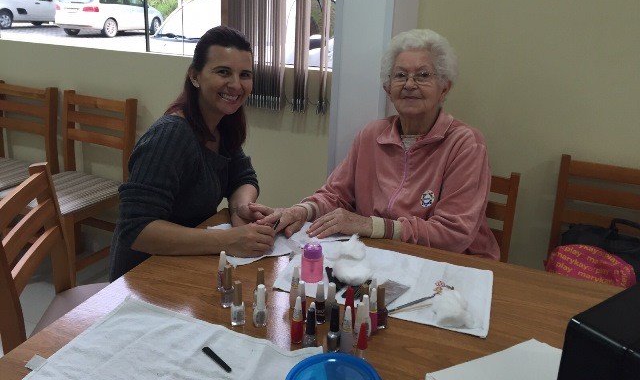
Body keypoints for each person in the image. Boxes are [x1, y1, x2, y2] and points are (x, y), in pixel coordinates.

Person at [253, 28, 499, 260]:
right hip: (380, 257)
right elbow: (335, 195)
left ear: (444, 88)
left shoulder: (465, 144)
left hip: (452, 266)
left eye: (423, 75)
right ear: (388, 89)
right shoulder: (371, 136)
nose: (409, 84)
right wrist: (302, 211)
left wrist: (371, 225)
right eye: (400, 75)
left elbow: (453, 234)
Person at [109, 26, 275, 280]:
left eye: (245, 75)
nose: (236, 85)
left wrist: (241, 207)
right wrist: (228, 240)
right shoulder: (171, 135)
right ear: (195, 76)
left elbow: (242, 177)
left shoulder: (223, 124)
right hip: (142, 275)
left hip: (187, 262)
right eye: (223, 72)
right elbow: (136, 229)